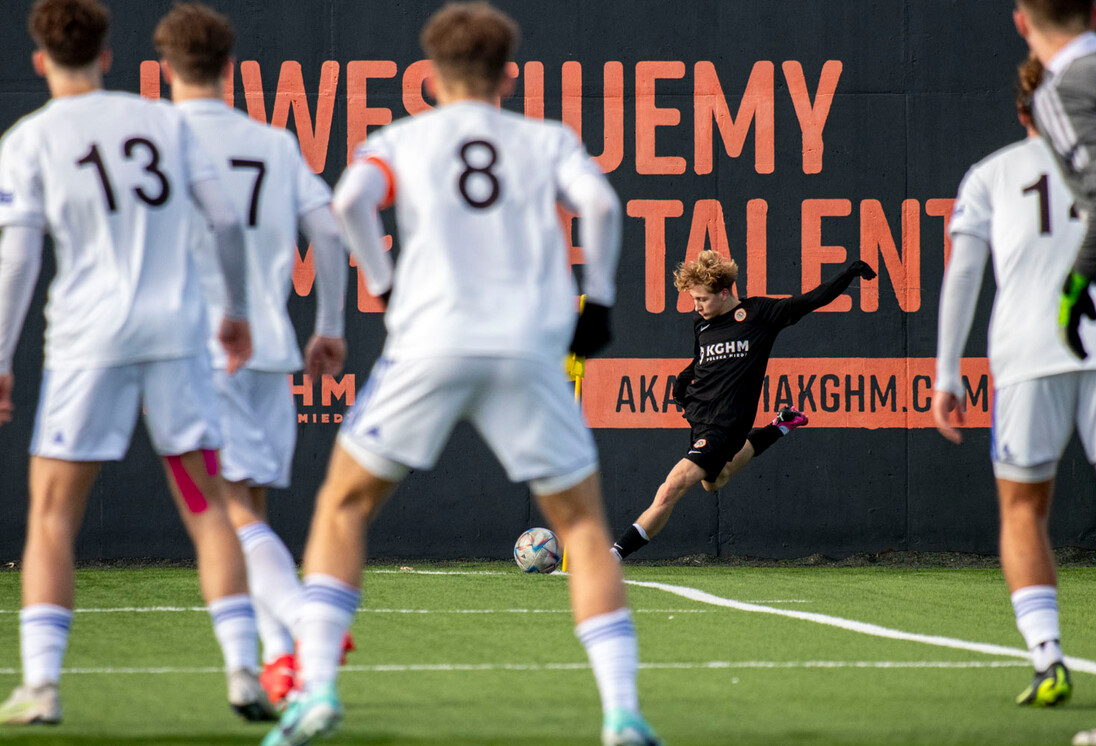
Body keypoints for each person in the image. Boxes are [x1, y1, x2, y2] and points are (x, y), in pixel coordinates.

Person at [260, 3, 661, 745]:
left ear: (431, 74)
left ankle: (316, 689)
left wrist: (384, 283)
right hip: (527, 349)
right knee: (580, 524)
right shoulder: (545, 139)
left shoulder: (402, 139)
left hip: (430, 342)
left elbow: (350, 202)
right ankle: (621, 713)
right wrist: (598, 302)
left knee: (344, 507)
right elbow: (601, 205)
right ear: (508, 74)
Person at [0, 0, 273, 725]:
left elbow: (19, 256)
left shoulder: (31, 138)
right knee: (207, 504)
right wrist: (236, 312)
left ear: (39, 59)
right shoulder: (164, 121)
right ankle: (244, 672)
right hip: (176, 337)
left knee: (54, 514)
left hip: (90, 342)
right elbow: (223, 220)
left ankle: (43, 687)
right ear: (109, 55)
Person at [153, 2, 350, 707]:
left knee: (221, 509)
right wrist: (328, 323)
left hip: (200, 348)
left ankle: (303, 624)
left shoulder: (159, 139)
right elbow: (328, 234)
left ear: (167, 67)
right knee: (251, 509)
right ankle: (279, 665)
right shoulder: (273, 142)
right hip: (270, 347)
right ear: (230, 67)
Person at [934, 54, 1096, 711]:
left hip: (1027, 356)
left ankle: (1047, 658)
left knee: (1022, 509)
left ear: (1022, 114)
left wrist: (946, 372)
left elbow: (963, 275)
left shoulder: (991, 173)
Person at [609, 251, 875, 561]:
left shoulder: (760, 314)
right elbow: (702, 360)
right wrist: (684, 378)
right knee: (714, 481)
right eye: (693, 299)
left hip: (727, 423)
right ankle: (778, 427)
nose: (696, 305)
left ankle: (614, 555)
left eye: (702, 299)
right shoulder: (702, 324)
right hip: (700, 417)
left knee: (672, 487)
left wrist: (847, 275)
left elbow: (810, 301)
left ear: (724, 293)